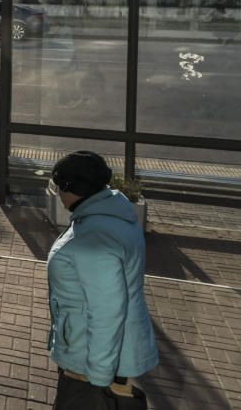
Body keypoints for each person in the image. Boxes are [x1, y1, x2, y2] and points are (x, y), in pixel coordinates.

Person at [46, 151, 157, 409]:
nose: (58, 193)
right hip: (103, 350)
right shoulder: (113, 214)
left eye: (58, 186)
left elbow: (107, 312)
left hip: (89, 358)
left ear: (69, 188)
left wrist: (97, 377)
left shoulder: (93, 241)